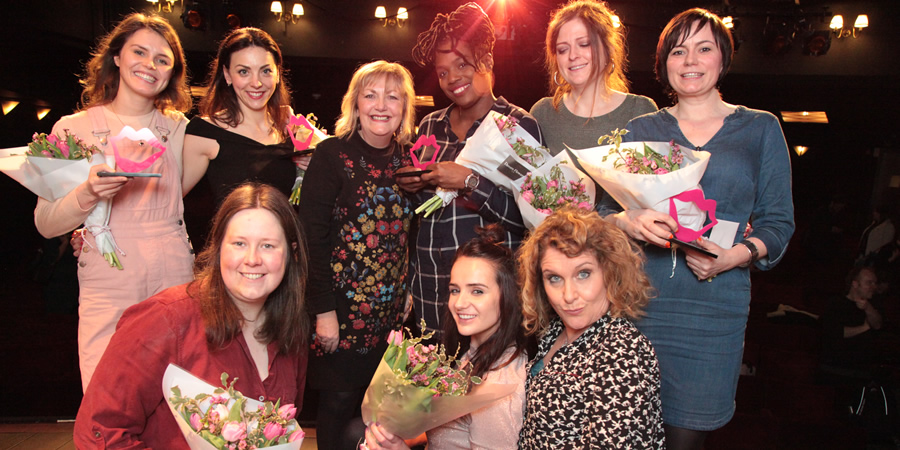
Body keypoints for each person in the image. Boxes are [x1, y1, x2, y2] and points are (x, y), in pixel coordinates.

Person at [599, 9, 795, 449]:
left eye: (703, 48)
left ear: (722, 58)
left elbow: (779, 223)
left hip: (714, 311)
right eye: (678, 50)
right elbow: (603, 211)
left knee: (685, 440)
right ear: (664, 63)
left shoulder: (760, 128)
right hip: (642, 305)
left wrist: (734, 255)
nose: (690, 60)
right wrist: (629, 220)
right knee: (627, 435)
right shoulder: (643, 128)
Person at [73, 182, 310, 448]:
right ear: (219, 247)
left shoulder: (291, 331)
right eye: (239, 243)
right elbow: (99, 431)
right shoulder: (166, 319)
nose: (252, 259)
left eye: (268, 246)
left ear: (292, 254)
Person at [33, 13, 195, 391]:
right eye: (139, 52)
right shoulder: (72, 129)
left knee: (177, 395)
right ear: (117, 56)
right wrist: (86, 196)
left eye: (162, 59)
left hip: (173, 271)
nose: (149, 65)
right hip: (108, 274)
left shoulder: (181, 128)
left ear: (172, 73)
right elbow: (45, 224)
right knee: (107, 394)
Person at [400, 2, 543, 337]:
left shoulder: (517, 125)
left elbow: (531, 219)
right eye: (443, 71)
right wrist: (410, 186)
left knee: (484, 387)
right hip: (432, 290)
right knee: (433, 388)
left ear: (487, 61)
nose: (452, 79)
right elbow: (420, 214)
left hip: (488, 301)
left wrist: (468, 181)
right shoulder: (430, 124)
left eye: (462, 65)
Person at [297, 60, 417, 450]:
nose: (381, 105)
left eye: (392, 96)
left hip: (388, 315)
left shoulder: (410, 159)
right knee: (337, 402)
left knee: (375, 411)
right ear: (356, 103)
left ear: (404, 107)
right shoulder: (331, 154)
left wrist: (408, 288)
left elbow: (411, 232)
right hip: (340, 312)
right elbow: (310, 237)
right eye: (371, 95)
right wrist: (323, 311)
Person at [363, 224, 530, 449]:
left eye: (477, 291)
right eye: (455, 290)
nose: (459, 303)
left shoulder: (500, 385)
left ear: (507, 297)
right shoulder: (475, 354)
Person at [516, 206, 664, 448]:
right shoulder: (555, 332)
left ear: (609, 270)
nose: (568, 295)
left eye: (583, 274)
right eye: (554, 278)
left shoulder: (622, 350)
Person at [183, 27, 304, 203]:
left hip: (286, 230)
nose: (256, 83)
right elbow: (169, 203)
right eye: (244, 72)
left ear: (277, 73)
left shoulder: (291, 131)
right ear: (227, 75)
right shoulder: (204, 133)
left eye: (265, 71)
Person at [530, 0, 657, 155]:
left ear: (608, 49)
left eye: (584, 44)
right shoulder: (542, 114)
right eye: (563, 50)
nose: (572, 55)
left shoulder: (640, 111)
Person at [821, 266, 884, 373]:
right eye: (869, 283)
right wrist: (864, 328)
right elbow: (835, 332)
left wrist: (868, 307)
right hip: (837, 366)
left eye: (875, 283)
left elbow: (877, 324)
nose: (873, 287)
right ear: (855, 284)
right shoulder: (836, 304)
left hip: (864, 367)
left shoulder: (873, 305)